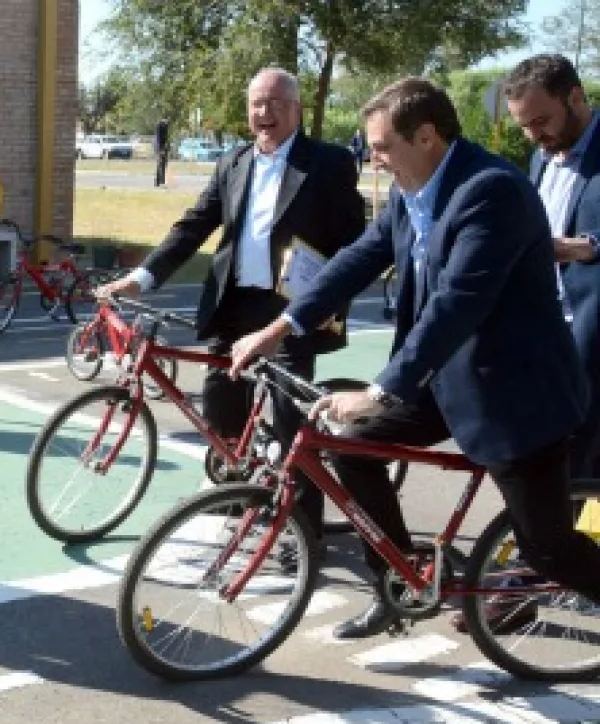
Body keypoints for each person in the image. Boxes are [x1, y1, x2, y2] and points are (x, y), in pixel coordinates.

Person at [228, 76, 600, 640]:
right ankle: (398, 583)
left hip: (515, 393)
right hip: (442, 377)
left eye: (381, 147)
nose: (373, 160)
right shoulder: (412, 187)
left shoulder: (490, 190)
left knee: (549, 551)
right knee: (348, 446)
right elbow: (356, 260)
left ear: (426, 136)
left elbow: (457, 303)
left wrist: (380, 391)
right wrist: (280, 328)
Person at [97, 67, 365, 538]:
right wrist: (142, 278)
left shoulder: (328, 162)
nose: (265, 112)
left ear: (297, 109)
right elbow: (193, 226)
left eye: (276, 103)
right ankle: (236, 492)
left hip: (291, 308)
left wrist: (327, 296)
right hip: (234, 304)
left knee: (291, 419)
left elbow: (355, 239)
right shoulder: (233, 161)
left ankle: (303, 531)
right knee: (220, 402)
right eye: (257, 103)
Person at [504, 53, 600, 479]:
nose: (533, 135)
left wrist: (586, 246)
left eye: (541, 121)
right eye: (524, 126)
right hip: (546, 335)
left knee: (578, 466)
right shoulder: (543, 155)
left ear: (575, 98)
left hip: (591, 338)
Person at [153, 117, 171, 187]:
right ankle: (160, 182)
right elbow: (158, 139)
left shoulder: (166, 126)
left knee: (163, 164)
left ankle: (160, 181)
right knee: (160, 164)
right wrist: (160, 149)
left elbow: (166, 139)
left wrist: (167, 148)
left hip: (163, 147)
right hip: (160, 148)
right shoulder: (160, 126)